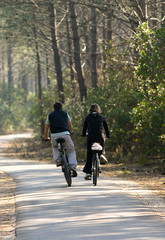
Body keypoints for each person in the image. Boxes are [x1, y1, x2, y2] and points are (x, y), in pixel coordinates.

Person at [44, 102, 77, 177]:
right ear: (61, 107)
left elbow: (46, 127)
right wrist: (70, 132)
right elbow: (70, 124)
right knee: (71, 150)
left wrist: (46, 137)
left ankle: (58, 160)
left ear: (54, 108)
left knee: (55, 147)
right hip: (65, 134)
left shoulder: (50, 115)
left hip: (54, 136)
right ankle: (72, 166)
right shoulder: (65, 113)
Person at [81, 103, 110, 180]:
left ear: (90, 110)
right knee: (102, 145)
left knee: (90, 155)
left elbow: (84, 128)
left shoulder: (88, 117)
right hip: (100, 137)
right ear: (98, 110)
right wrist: (108, 135)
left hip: (91, 137)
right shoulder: (102, 117)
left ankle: (88, 173)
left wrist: (83, 134)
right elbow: (106, 128)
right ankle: (101, 155)